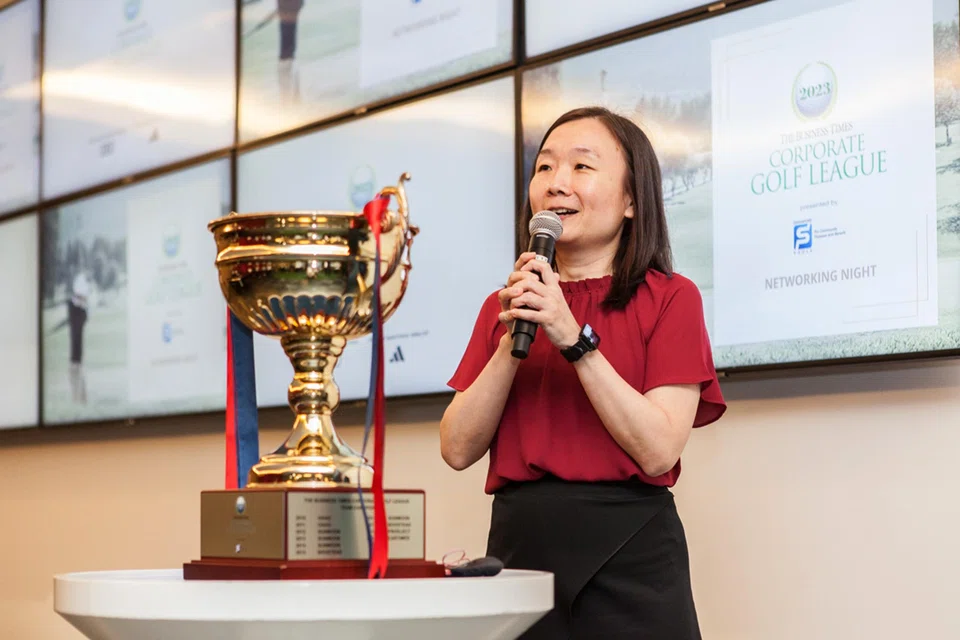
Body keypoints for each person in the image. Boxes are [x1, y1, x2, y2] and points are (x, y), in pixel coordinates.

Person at [440, 106, 726, 639]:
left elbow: (660, 447)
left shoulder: (671, 298)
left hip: (631, 556)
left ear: (632, 201)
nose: (555, 184)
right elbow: (457, 448)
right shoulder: (504, 305)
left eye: (581, 167)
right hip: (520, 555)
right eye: (544, 168)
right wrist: (513, 340)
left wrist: (573, 338)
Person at [68, 265, 91, 404]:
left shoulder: (86, 283)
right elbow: (78, 296)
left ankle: (78, 361)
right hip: (76, 309)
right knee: (75, 337)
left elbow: (85, 299)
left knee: (79, 338)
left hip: (81, 311)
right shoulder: (79, 281)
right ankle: (75, 362)